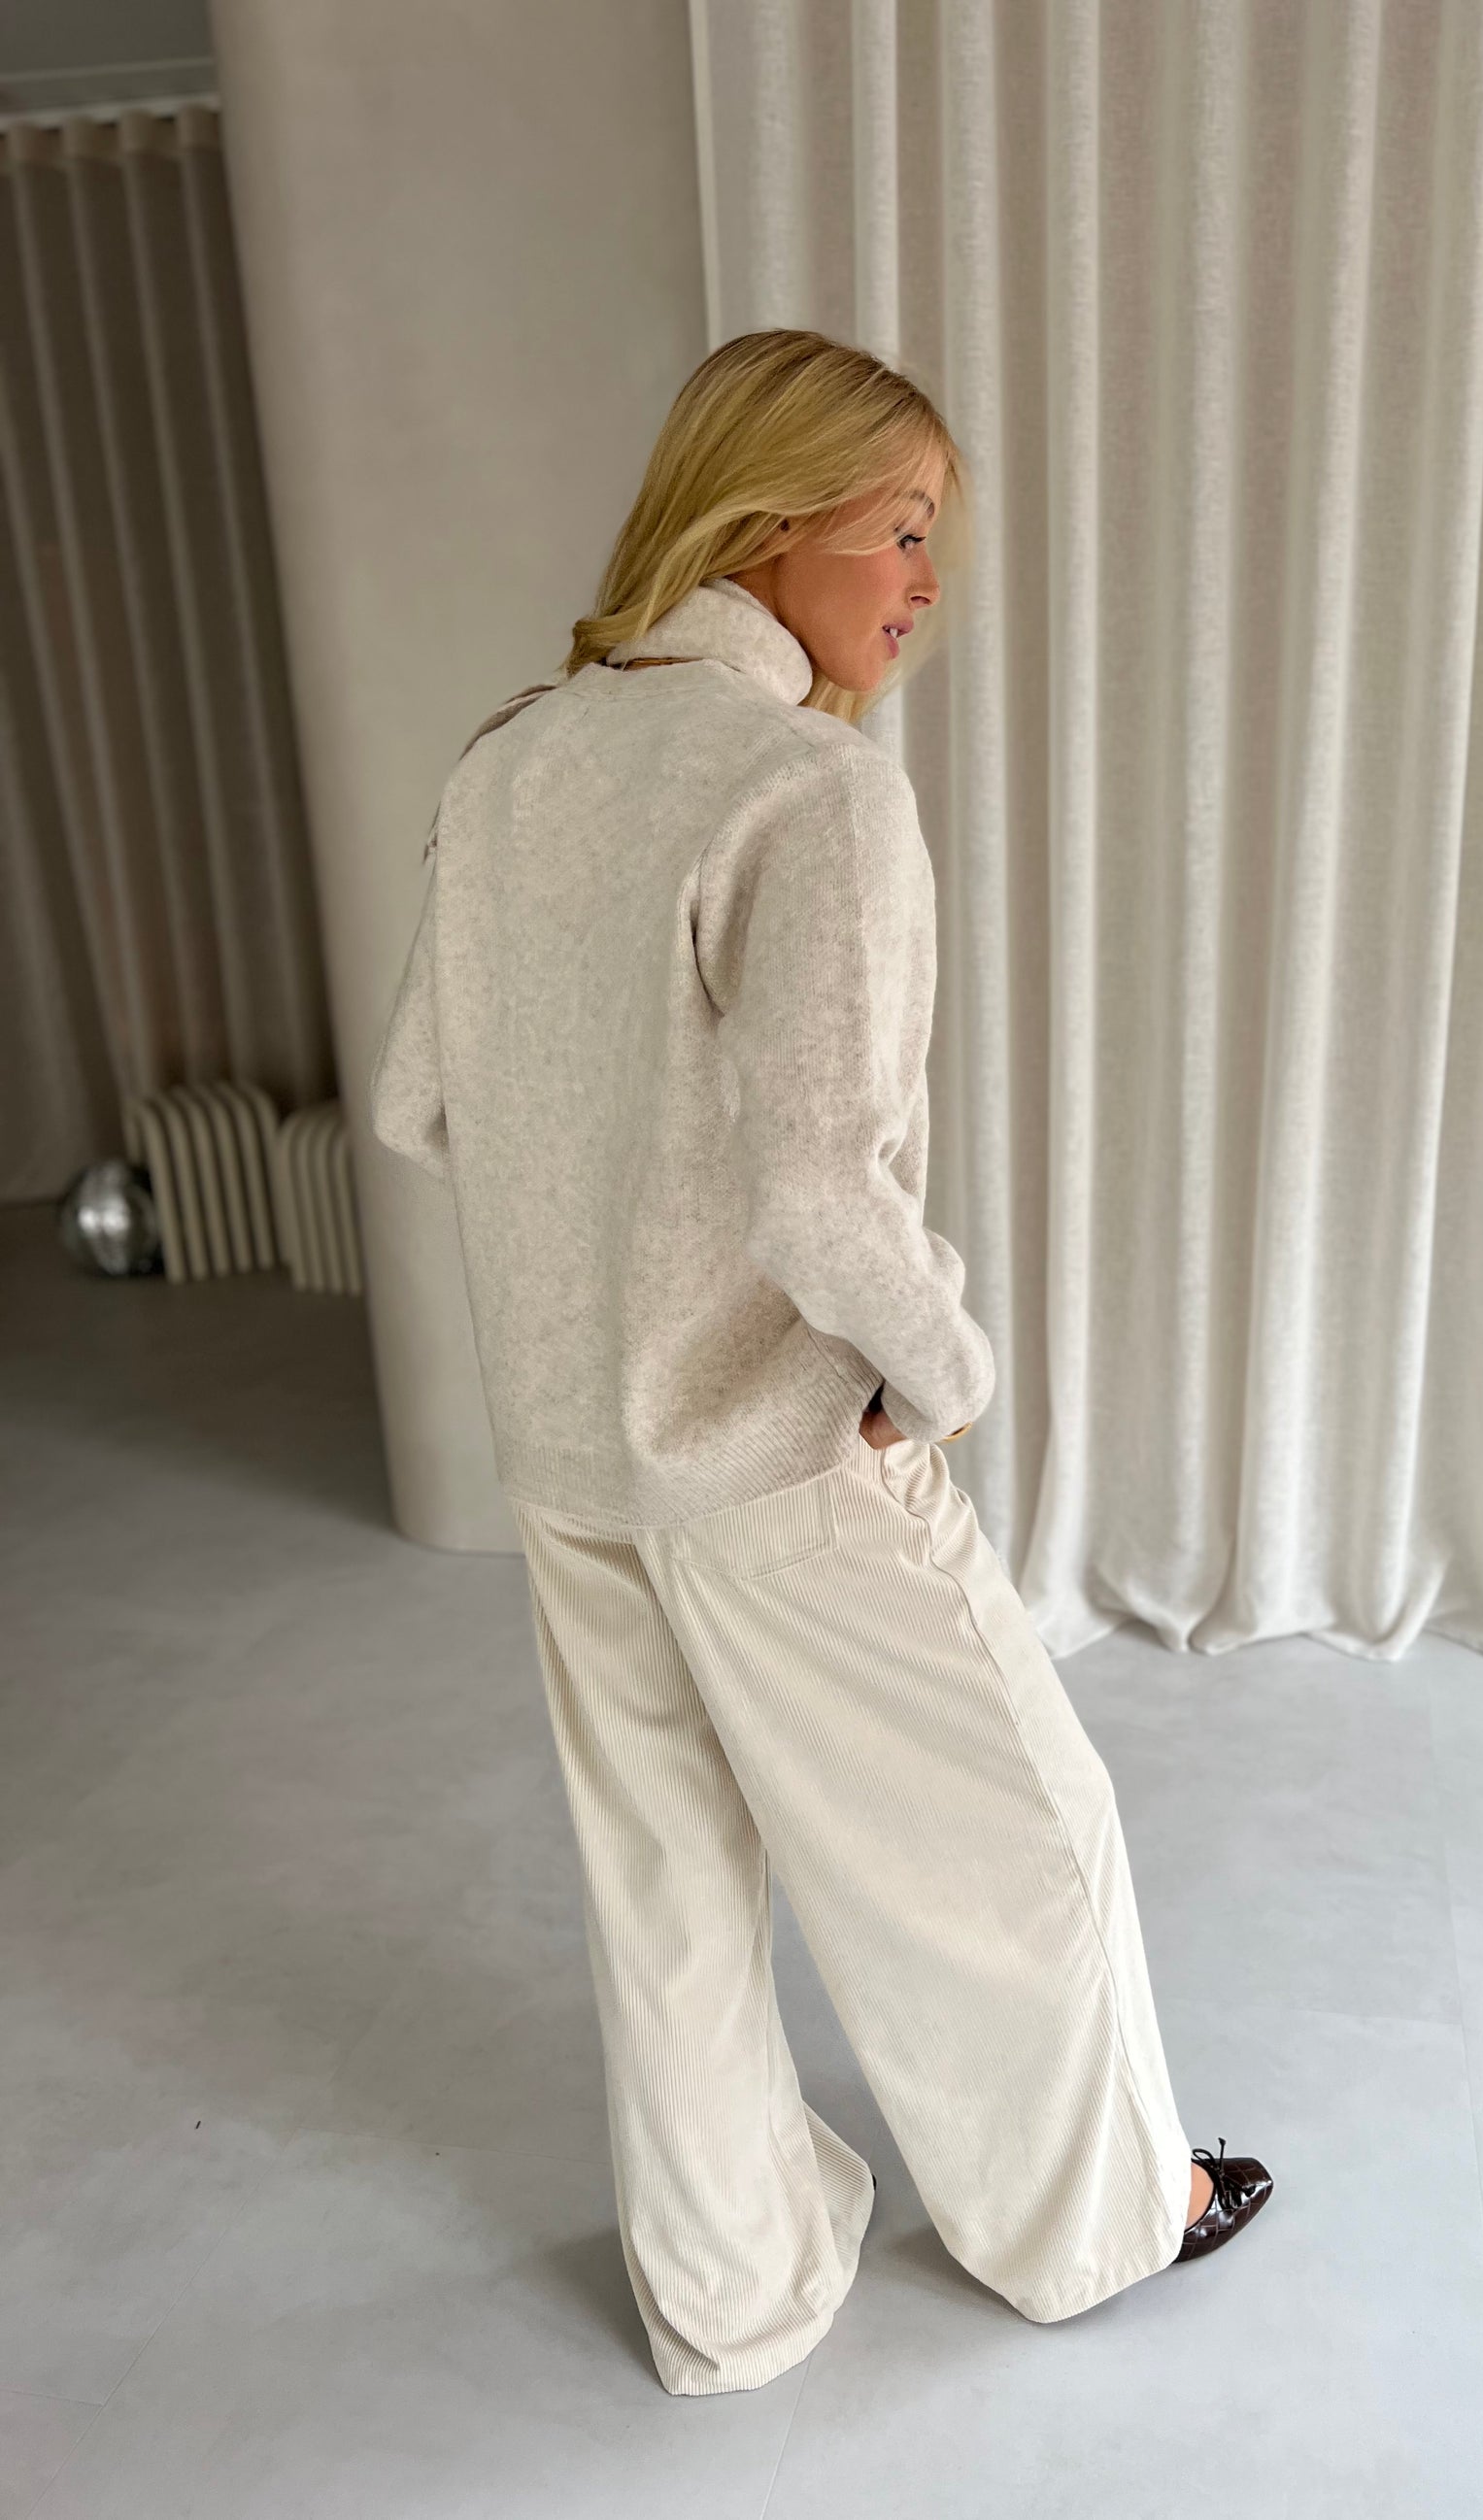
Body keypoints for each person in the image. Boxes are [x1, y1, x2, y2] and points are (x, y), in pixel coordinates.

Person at [368, 326, 1270, 2398]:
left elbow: (422, 1099)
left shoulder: (514, 758)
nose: (927, 583)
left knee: (669, 1888)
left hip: (572, 1452)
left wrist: (597, 1230)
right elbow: (816, 1187)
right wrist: (940, 1373)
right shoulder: (804, 788)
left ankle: (731, 2293)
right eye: (903, 527)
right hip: (772, 1451)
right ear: (766, 519)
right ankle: (1102, 2221)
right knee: (1027, 1828)